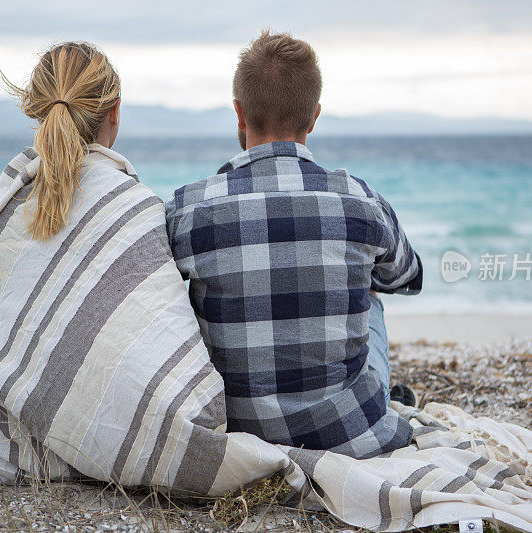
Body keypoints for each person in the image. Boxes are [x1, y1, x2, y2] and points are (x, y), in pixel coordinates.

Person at [0, 42, 227, 486]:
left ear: (39, 111)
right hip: (100, 445)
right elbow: (156, 339)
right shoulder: (134, 206)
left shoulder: (12, 197)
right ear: (115, 113)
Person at [165, 31, 423, 459]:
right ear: (315, 116)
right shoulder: (360, 199)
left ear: (239, 113)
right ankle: (377, 397)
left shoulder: (187, 208)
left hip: (237, 432)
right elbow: (408, 279)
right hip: (349, 434)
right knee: (372, 297)